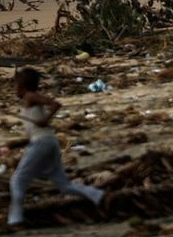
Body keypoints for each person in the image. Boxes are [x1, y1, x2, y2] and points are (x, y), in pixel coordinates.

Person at [7, 68, 104, 229]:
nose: (15, 89)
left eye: (16, 86)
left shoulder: (30, 96)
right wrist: (16, 144)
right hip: (48, 142)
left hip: (42, 144)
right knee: (64, 185)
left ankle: (15, 221)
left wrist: (46, 119)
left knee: (18, 180)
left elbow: (55, 104)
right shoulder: (29, 100)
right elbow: (35, 130)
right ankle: (99, 196)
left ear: (22, 86)